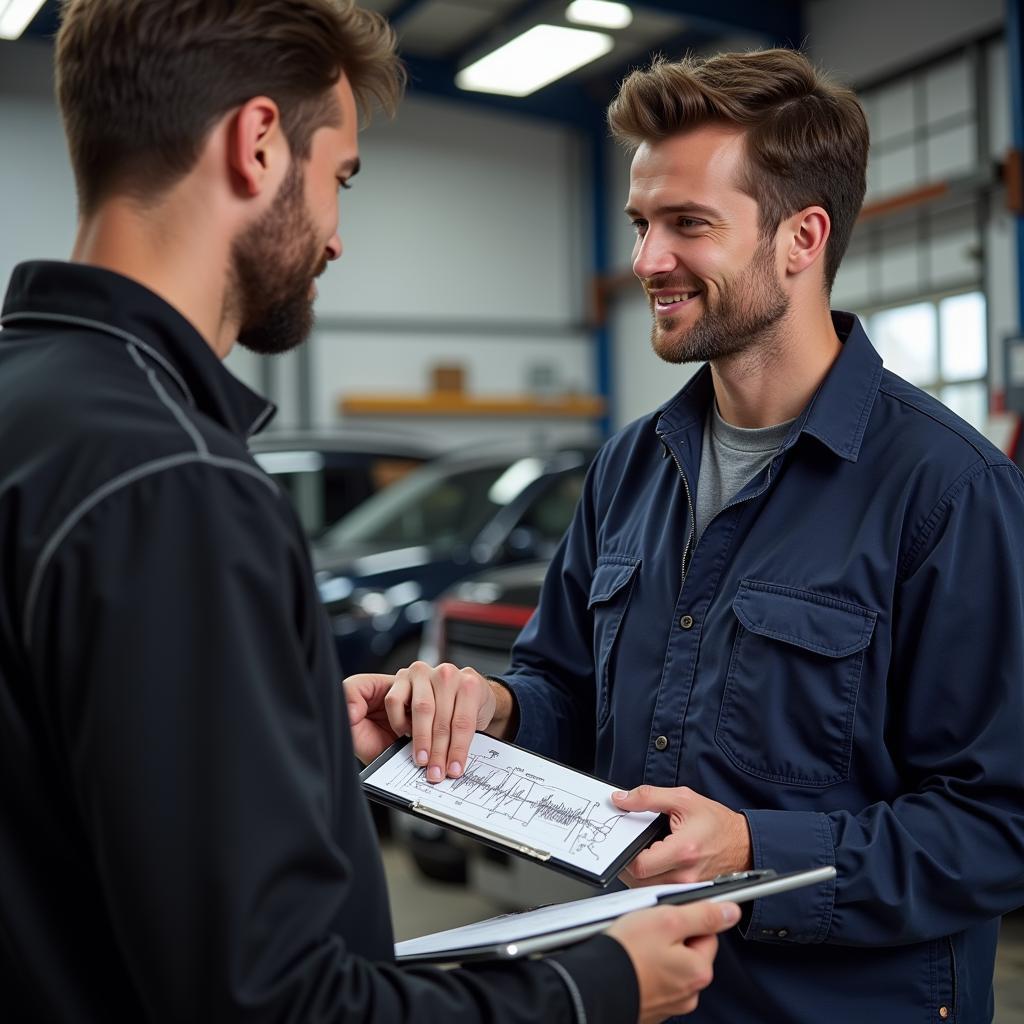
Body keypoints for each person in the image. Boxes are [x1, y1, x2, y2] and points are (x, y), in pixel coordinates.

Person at [0, 2, 740, 1021]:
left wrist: (286, 748)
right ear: (257, 145)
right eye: (338, 178)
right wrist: (595, 984)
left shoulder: (31, 406)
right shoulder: (172, 482)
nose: (339, 239)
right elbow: (280, 1004)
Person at [346, 48, 1024, 1022]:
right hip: (646, 993)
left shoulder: (946, 491)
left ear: (802, 237)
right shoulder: (630, 468)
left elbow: (997, 821)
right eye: (641, 223)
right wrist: (484, 708)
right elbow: (567, 691)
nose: (647, 260)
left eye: (687, 225)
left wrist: (758, 849)